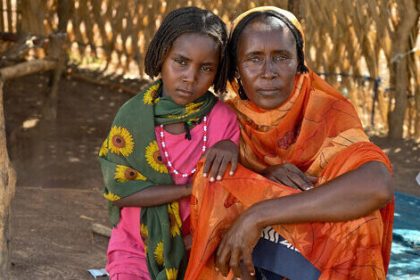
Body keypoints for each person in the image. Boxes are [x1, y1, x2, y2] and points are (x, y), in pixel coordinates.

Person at [185, 6, 394, 280]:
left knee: (361, 221)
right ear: (236, 69)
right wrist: (263, 177)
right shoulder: (226, 119)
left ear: (299, 63)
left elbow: (377, 183)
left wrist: (258, 214)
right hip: (253, 261)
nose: (268, 72)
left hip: (315, 254)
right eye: (253, 59)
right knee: (214, 178)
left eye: (281, 57)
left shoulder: (328, 112)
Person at [98, 7, 240, 280]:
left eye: (206, 68)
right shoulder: (133, 118)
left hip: (199, 248)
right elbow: (121, 191)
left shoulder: (223, 121)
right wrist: (189, 189)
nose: (190, 77)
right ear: (162, 56)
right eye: (181, 62)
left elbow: (231, 197)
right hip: (136, 247)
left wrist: (231, 147)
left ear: (218, 71)